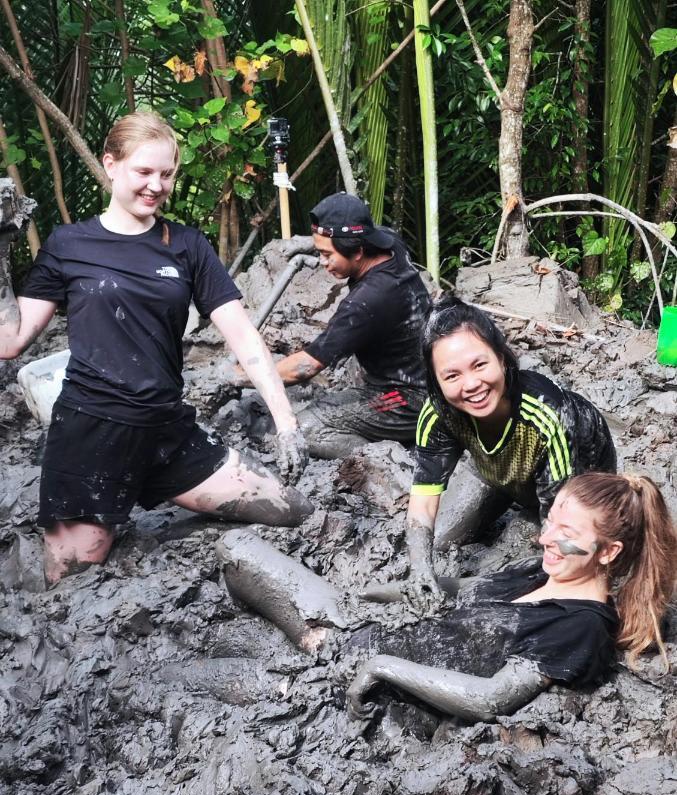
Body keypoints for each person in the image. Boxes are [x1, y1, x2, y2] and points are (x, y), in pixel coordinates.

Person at [0, 111, 312, 585]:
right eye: (143, 172)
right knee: (72, 579)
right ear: (111, 165)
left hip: (167, 430)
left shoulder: (186, 245)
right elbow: (11, 341)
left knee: (291, 509)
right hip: (90, 437)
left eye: (166, 174)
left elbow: (244, 336)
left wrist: (287, 423)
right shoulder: (68, 244)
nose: (155, 185)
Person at [218, 474, 676, 723]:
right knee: (235, 549)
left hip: (370, 690)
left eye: (567, 534)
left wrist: (381, 667)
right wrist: (373, 594)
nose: (545, 538)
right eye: (551, 521)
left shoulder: (580, 627)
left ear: (609, 552)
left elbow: (491, 698)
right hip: (354, 634)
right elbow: (464, 590)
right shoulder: (544, 568)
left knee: (201, 691)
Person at [405, 295, 617, 607]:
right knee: (439, 541)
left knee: (526, 561)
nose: (471, 385)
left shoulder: (548, 413)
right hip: (498, 472)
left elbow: (564, 521)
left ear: (502, 358)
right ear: (436, 382)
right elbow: (423, 497)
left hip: (568, 495)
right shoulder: (438, 412)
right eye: (452, 375)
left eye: (480, 365)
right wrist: (420, 569)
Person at [232, 192, 432, 459]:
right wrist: (307, 244)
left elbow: (306, 367)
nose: (323, 263)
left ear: (358, 251)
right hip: (425, 370)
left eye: (327, 255)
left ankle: (388, 458)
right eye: (319, 252)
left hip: (409, 398)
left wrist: (242, 376)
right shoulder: (389, 243)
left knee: (308, 429)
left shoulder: (366, 303)